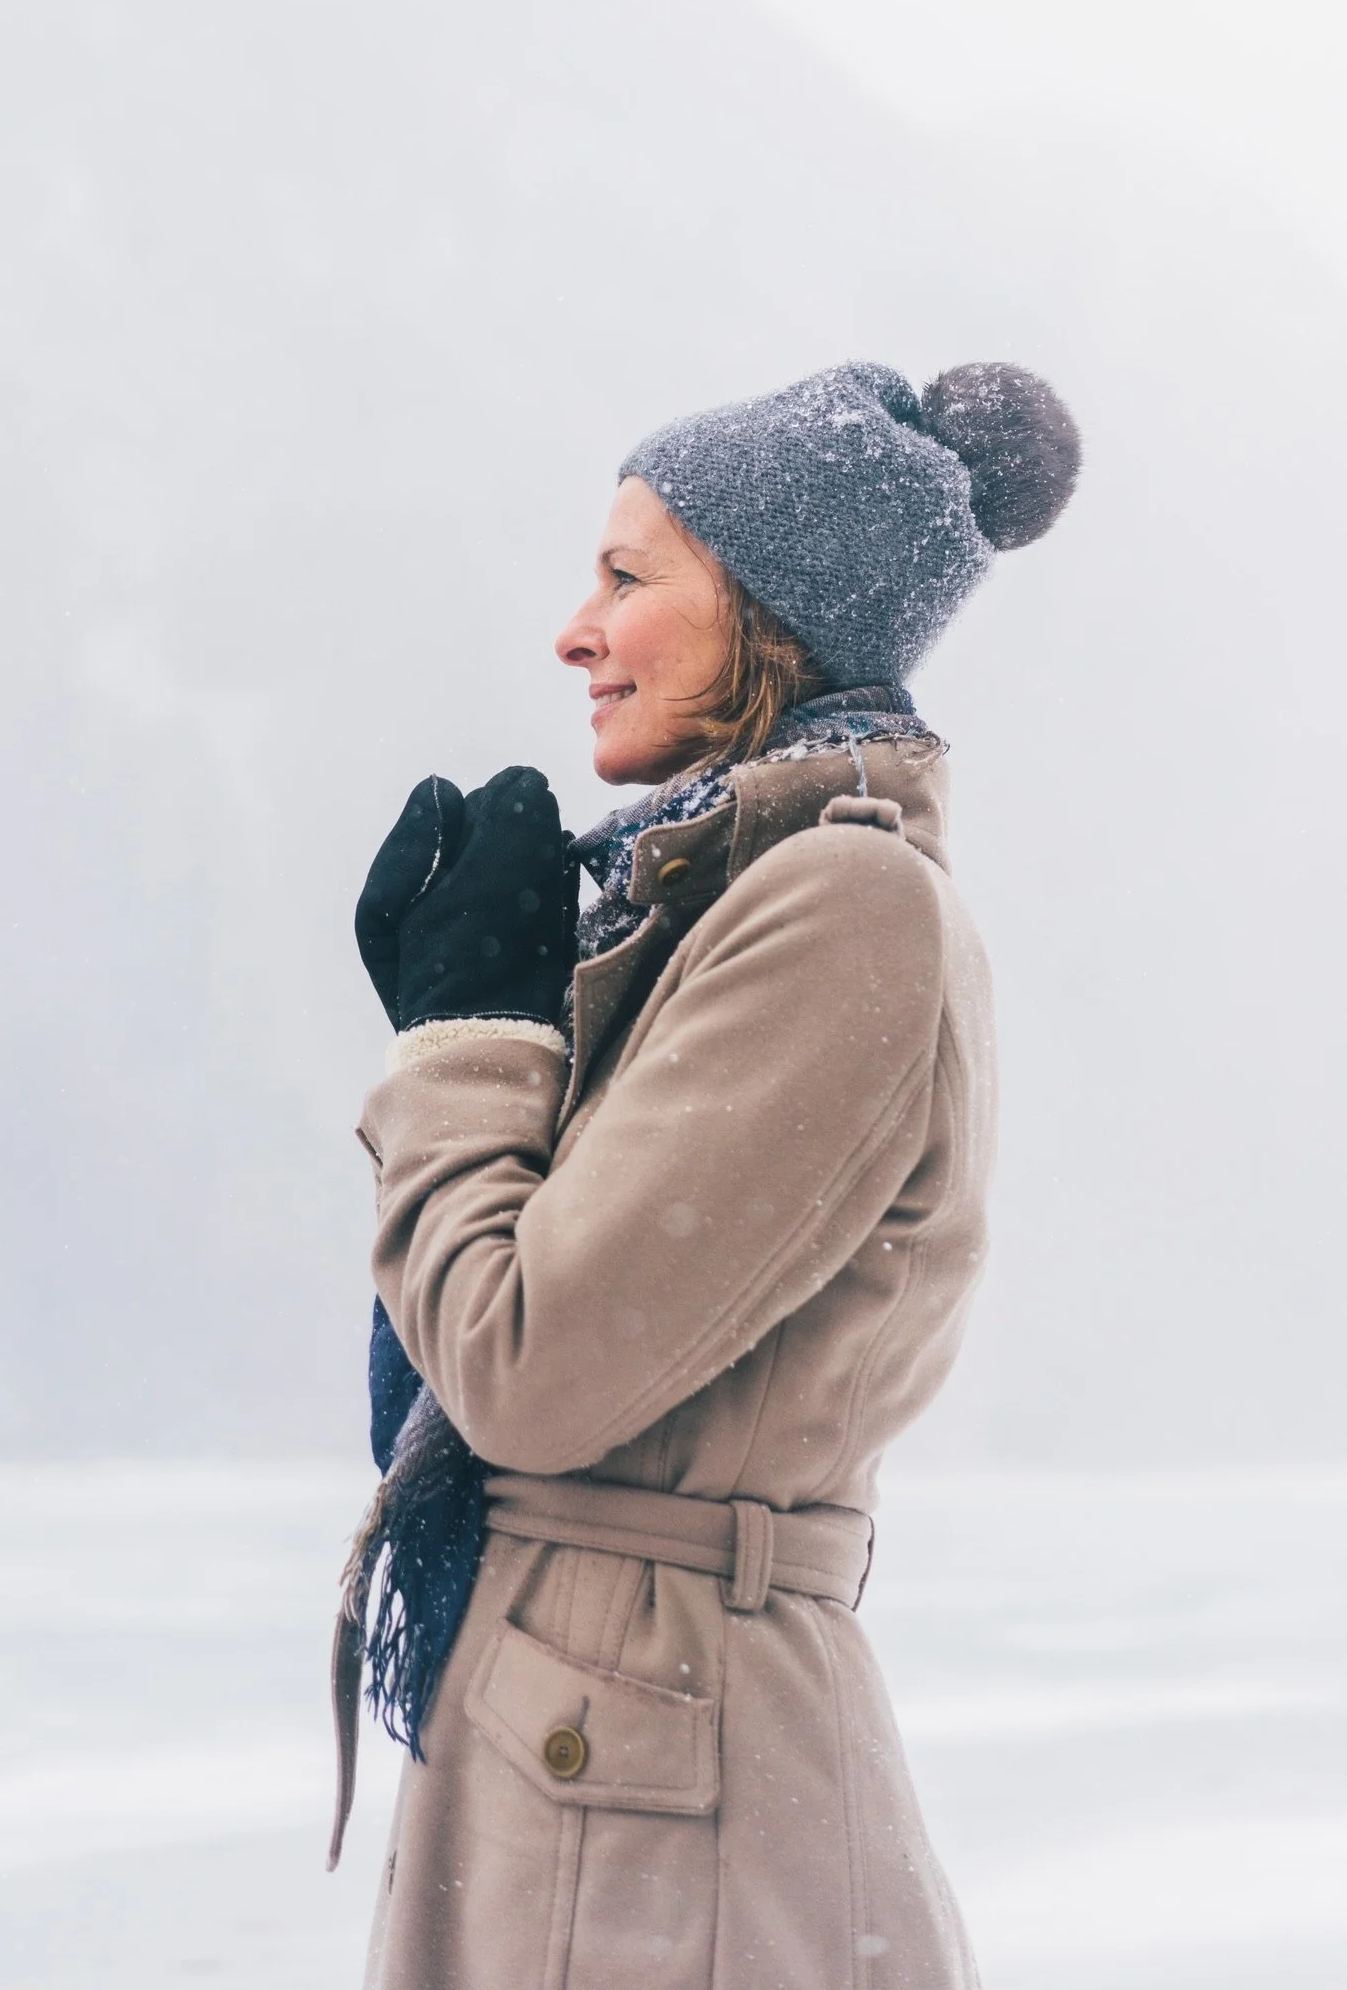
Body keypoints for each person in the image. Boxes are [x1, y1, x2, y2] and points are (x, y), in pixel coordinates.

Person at [332, 358, 1080, 1988]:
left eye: (626, 575)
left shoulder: (843, 908)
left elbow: (523, 1367)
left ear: (769, 612)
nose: (573, 630)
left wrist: (466, 1040)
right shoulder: (701, 912)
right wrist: (492, 1016)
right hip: (597, 1742)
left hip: (663, 1793)